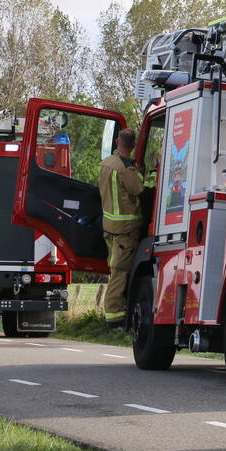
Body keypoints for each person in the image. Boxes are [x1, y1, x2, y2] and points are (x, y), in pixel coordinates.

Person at [98, 128, 145, 329]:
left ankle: (115, 311)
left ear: (117, 142)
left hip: (109, 227)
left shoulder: (106, 163)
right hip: (125, 229)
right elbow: (139, 189)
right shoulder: (126, 169)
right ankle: (114, 316)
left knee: (114, 268)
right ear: (133, 145)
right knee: (120, 271)